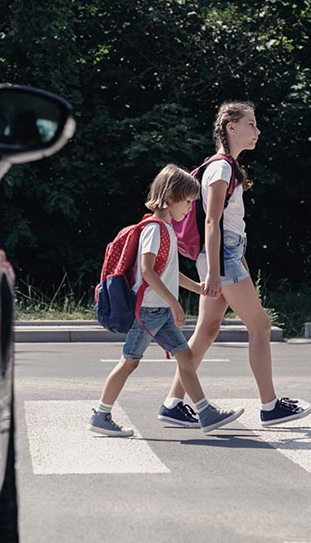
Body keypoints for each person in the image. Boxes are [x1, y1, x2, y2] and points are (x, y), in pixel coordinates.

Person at [158, 102, 311, 429]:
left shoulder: (226, 168)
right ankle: (270, 406)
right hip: (221, 257)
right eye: (251, 124)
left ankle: (173, 404)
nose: (257, 131)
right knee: (260, 327)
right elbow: (212, 222)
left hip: (226, 255)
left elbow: (225, 224)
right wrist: (216, 271)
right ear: (231, 127)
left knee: (207, 330)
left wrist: (232, 259)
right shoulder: (222, 168)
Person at [89, 164, 245, 437]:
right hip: (148, 311)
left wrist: (197, 288)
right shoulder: (154, 229)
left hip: (157, 310)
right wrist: (174, 303)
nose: (189, 209)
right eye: (187, 202)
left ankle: (205, 413)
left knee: (185, 356)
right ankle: (101, 414)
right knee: (129, 362)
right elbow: (148, 272)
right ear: (170, 197)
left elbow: (169, 273)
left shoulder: (167, 230)